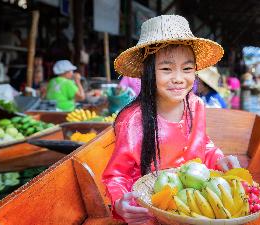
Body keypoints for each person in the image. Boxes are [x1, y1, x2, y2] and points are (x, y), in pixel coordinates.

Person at [101, 15, 241, 224]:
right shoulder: (132, 120)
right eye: (166, 69)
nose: (178, 78)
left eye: (187, 69)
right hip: (149, 209)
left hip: (193, 204)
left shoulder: (196, 105)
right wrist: (122, 203)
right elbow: (116, 176)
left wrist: (219, 158)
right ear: (149, 72)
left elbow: (204, 144)